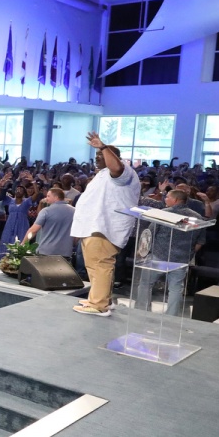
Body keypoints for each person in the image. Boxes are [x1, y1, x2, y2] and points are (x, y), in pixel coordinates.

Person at [70, 132, 141, 316]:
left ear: (114, 156)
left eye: (101, 155)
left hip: (105, 227)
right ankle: (102, 299)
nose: (97, 158)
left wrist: (103, 146)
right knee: (95, 265)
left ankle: (98, 305)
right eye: (96, 155)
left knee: (100, 264)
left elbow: (116, 167)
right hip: (94, 227)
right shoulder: (102, 174)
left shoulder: (124, 172)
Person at [130, 190, 204, 317]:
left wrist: (141, 251)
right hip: (181, 259)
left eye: (167, 197)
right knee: (176, 289)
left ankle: (142, 311)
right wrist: (188, 254)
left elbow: (150, 234)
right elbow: (200, 241)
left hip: (158, 256)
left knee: (146, 284)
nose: (165, 199)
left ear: (175, 200)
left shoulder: (163, 213)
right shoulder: (197, 217)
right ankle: (172, 316)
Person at [24, 187, 76, 259]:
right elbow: (77, 234)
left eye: (48, 196)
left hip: (46, 252)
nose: (46, 198)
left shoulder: (46, 211)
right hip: (66, 252)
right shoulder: (74, 211)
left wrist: (23, 243)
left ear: (56, 197)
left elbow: (33, 230)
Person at [0, 186, 34, 265]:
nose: (18, 191)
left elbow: (37, 193)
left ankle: (19, 264)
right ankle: (2, 263)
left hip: (22, 225)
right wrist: (3, 185)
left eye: (21, 190)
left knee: (21, 241)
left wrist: (33, 182)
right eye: (17, 189)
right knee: (6, 241)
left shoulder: (27, 201)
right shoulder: (10, 200)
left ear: (24, 193)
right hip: (10, 224)